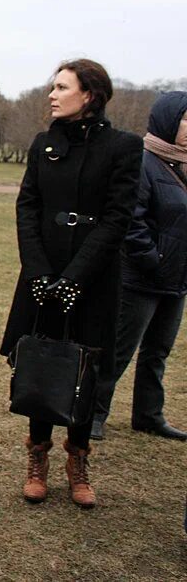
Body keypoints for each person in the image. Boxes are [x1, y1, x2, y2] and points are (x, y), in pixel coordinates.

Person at [0, 59, 143, 508]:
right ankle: (37, 459)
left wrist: (75, 278)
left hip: (94, 279)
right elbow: (28, 208)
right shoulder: (44, 144)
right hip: (42, 276)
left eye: (62, 87)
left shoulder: (124, 147)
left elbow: (118, 217)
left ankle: (78, 461)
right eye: (53, 86)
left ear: (90, 95)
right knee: (42, 360)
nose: (52, 94)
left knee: (88, 367)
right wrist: (40, 273)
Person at [92, 91, 187, 442]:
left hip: (177, 279)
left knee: (158, 351)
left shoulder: (184, 164)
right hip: (140, 278)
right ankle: (94, 414)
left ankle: (149, 415)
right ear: (167, 120)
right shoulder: (144, 162)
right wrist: (153, 259)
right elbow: (132, 221)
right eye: (186, 118)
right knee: (117, 350)